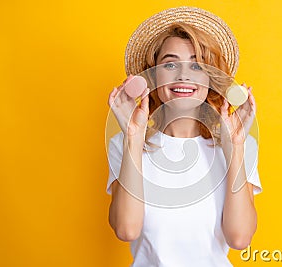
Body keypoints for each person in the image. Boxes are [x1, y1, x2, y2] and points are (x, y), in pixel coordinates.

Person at [106, 7, 262, 267]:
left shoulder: (241, 145)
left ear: (210, 79)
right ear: (153, 76)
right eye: (170, 63)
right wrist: (133, 138)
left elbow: (239, 237)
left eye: (197, 65)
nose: (183, 75)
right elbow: (126, 229)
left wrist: (234, 147)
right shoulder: (125, 144)